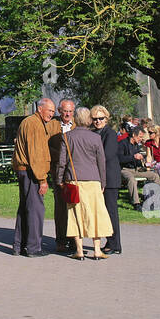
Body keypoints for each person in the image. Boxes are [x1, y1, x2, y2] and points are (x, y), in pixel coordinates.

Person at [53, 107, 113, 260]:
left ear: (76, 119)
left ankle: (79, 250)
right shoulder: (96, 138)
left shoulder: (67, 137)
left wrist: (59, 179)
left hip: (74, 180)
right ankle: (97, 250)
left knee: (75, 215)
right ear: (89, 120)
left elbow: (62, 162)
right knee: (96, 214)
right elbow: (101, 162)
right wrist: (103, 182)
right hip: (93, 180)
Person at [12, 97, 60, 257]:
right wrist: (42, 179)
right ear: (40, 109)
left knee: (25, 208)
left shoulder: (30, 122)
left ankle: (19, 245)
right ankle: (33, 247)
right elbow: (36, 155)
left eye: (53, 111)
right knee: (35, 209)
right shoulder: (35, 124)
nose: (52, 114)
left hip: (24, 170)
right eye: (49, 111)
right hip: (31, 172)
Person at [92, 105, 123, 254]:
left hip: (109, 177)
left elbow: (107, 155)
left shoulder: (109, 133)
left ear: (106, 118)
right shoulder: (94, 132)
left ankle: (114, 243)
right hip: (99, 177)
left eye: (100, 118)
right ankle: (110, 241)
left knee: (111, 211)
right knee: (103, 211)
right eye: (95, 119)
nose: (98, 121)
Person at [48, 99, 78, 255]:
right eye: (65, 111)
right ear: (60, 111)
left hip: (73, 173)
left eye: (70, 111)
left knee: (74, 206)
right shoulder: (52, 125)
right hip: (57, 171)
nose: (67, 114)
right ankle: (60, 240)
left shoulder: (77, 126)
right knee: (60, 208)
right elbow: (47, 146)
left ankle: (74, 240)